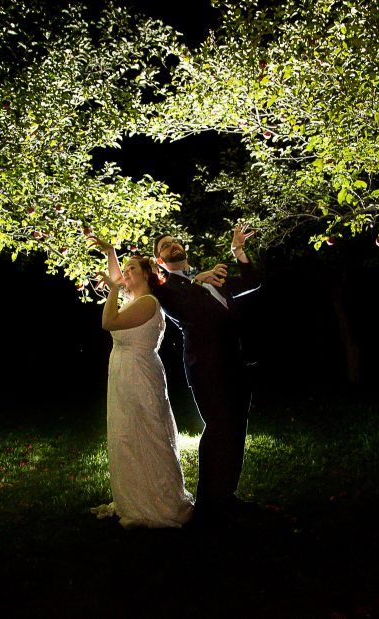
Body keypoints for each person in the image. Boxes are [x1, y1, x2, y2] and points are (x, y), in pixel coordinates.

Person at [151, 224, 260, 524]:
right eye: (165, 246)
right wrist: (197, 281)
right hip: (206, 368)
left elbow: (253, 282)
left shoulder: (212, 275)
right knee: (219, 428)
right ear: (160, 260)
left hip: (236, 363)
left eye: (174, 241)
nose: (172, 245)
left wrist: (238, 252)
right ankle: (208, 503)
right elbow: (186, 311)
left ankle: (227, 495)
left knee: (237, 428)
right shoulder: (167, 290)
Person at [87, 237, 194, 529]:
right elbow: (118, 279)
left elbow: (108, 322)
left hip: (140, 375)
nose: (125, 273)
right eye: (125, 269)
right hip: (123, 374)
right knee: (127, 436)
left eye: (132, 268)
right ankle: (134, 499)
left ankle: (160, 504)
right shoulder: (133, 301)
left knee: (148, 434)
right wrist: (110, 252)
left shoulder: (148, 303)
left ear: (146, 274)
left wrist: (112, 289)